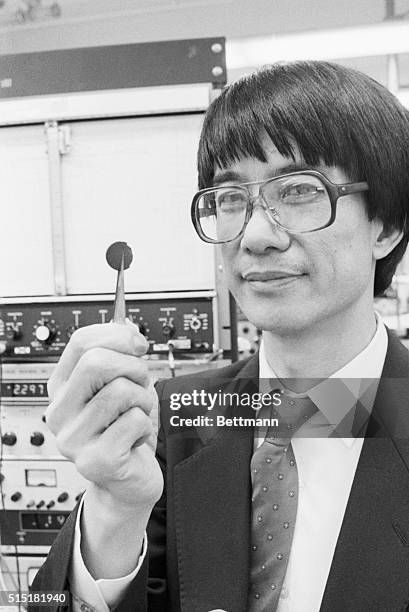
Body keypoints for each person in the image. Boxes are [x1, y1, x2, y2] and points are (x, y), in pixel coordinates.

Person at [32, 61, 409, 612]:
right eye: (230, 198)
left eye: (300, 190)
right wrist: (115, 509)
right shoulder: (175, 419)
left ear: (388, 224)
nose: (255, 236)